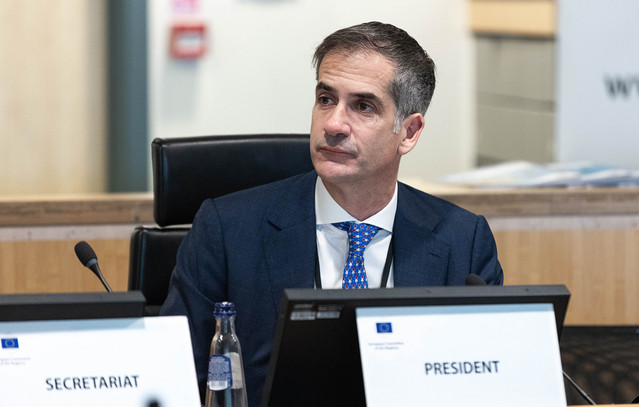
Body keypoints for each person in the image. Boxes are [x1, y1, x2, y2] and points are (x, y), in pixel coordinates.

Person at [160, 21, 503, 406]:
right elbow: (174, 380)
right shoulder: (227, 230)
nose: (334, 124)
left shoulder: (463, 242)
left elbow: (490, 386)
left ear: (408, 132)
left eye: (363, 106)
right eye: (326, 99)